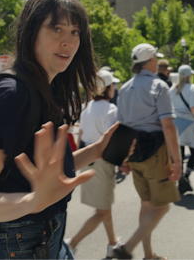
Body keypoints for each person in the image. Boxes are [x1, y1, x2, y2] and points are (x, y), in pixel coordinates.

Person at [0, 0, 126, 260]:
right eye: (57, 29)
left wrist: (96, 151)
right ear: (31, 32)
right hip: (12, 246)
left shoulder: (46, 89)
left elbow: (41, 172)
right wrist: (32, 201)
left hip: (47, 240)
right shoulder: (10, 93)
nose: (68, 41)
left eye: (75, 32)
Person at [113, 43, 181, 260]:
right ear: (151, 61)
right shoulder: (159, 86)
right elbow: (168, 127)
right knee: (162, 207)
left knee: (147, 204)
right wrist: (177, 162)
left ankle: (149, 254)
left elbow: (120, 127)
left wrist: (122, 159)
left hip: (133, 153)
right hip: (155, 153)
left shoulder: (124, 88)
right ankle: (127, 248)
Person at [65, 69, 124, 258]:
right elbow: (111, 139)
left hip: (86, 157)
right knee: (102, 209)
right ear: (107, 88)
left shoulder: (87, 106)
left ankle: (112, 243)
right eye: (112, 84)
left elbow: (81, 135)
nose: (114, 87)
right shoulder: (111, 109)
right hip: (102, 160)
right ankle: (72, 243)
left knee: (103, 207)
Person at [171, 65, 194, 193]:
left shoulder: (172, 89)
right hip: (189, 122)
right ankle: (186, 176)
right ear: (190, 75)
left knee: (180, 153)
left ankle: (181, 179)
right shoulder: (193, 88)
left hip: (175, 122)